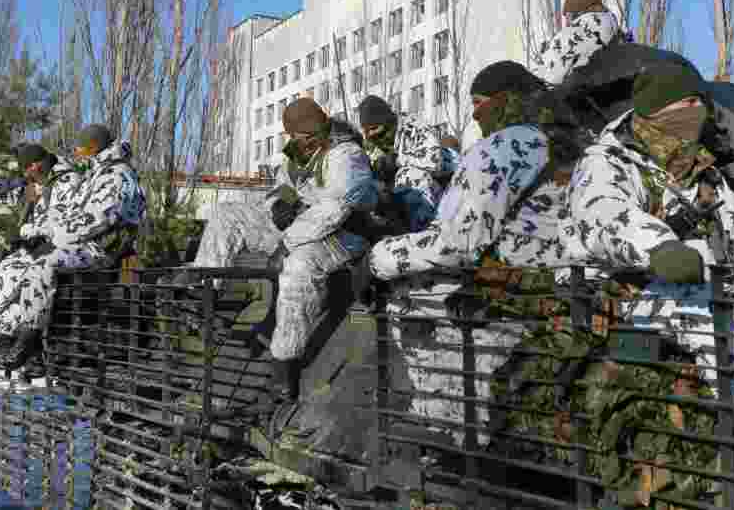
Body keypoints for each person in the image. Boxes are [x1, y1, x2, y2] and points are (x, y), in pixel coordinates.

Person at [561, 60, 734, 489]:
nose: (695, 113)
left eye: (697, 105)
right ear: (658, 110)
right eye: (685, 105)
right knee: (719, 310)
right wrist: (660, 247)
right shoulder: (605, 161)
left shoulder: (704, 174)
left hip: (704, 284)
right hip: (627, 295)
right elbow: (604, 217)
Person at [368, 61, 587, 444]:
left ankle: (445, 421)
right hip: (564, 286)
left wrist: (378, 258)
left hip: (512, 290)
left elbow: (457, 242)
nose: (474, 113)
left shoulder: (503, 146)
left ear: (503, 100)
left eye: (479, 102)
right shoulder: (575, 141)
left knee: (406, 294)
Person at [187, 98, 378, 402]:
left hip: (343, 234)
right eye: (293, 137)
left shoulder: (347, 155)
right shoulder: (299, 153)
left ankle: (284, 364)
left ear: (319, 130)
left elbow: (335, 208)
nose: (297, 142)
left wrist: (286, 245)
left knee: (299, 267)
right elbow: (283, 187)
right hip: (300, 224)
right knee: (227, 214)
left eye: (302, 137)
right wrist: (277, 205)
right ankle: (203, 298)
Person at [0, 144, 83, 363]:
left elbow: (67, 222)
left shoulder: (67, 181)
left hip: (52, 245)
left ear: (37, 165)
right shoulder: (34, 181)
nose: (25, 174)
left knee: (11, 273)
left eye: (28, 168)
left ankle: (8, 338)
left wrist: (36, 236)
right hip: (31, 244)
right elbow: (0, 194)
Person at [357, 94, 446, 233]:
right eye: (366, 130)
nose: (370, 135)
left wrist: (396, 161)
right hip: (400, 196)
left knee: (409, 175)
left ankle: (426, 233)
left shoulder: (414, 127)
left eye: (374, 128)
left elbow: (434, 162)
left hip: (442, 186)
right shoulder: (371, 143)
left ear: (387, 121)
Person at [528, 0, 620, 87]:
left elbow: (549, 77)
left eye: (568, 16)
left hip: (576, 96)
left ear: (577, 13)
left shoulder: (573, 34)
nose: (567, 23)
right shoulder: (613, 28)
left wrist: (545, 55)